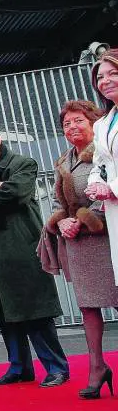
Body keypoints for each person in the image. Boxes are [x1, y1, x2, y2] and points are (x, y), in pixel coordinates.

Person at [0, 126, 69, 387]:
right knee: (5, 314)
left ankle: (56, 368)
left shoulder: (23, 163)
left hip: (20, 249)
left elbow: (17, 193)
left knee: (36, 312)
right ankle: (19, 367)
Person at [45, 100, 116, 399]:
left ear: (93, 122)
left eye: (78, 121)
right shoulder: (63, 159)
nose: (72, 127)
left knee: (115, 298)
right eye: (66, 124)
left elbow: (107, 195)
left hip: (105, 237)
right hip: (77, 242)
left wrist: (83, 221)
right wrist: (61, 223)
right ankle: (97, 367)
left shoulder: (102, 153)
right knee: (88, 307)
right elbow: (58, 201)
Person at [86, 48, 118, 286]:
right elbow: (99, 163)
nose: (105, 81)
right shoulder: (101, 125)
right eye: (99, 77)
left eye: (112, 73)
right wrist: (95, 183)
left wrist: (113, 188)